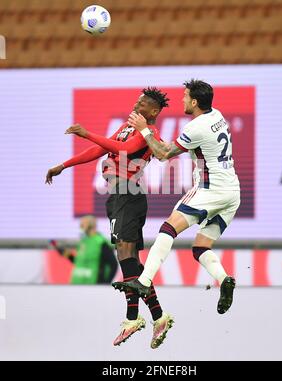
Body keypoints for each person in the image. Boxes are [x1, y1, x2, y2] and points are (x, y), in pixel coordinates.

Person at [45, 88, 174, 349]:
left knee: (126, 255)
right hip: (117, 195)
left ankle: (132, 318)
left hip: (129, 193)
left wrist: (86, 132)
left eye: (143, 104)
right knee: (129, 261)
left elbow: (124, 150)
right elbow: (100, 150)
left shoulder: (151, 134)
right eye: (136, 101)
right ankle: (158, 317)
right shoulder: (127, 127)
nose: (136, 106)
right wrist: (64, 165)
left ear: (154, 112)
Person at [113, 79, 240, 315]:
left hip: (209, 189)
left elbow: (163, 154)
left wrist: (144, 129)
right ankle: (224, 280)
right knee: (200, 247)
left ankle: (144, 281)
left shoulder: (196, 127)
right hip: (232, 192)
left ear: (194, 101)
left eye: (185, 96)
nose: (181, 100)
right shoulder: (217, 115)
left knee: (168, 228)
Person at [50, 215, 118, 284]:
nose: (81, 226)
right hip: (76, 284)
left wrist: (105, 284)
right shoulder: (83, 241)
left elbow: (113, 264)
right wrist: (63, 252)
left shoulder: (101, 243)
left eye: (83, 224)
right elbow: (78, 261)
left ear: (91, 225)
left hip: (93, 286)